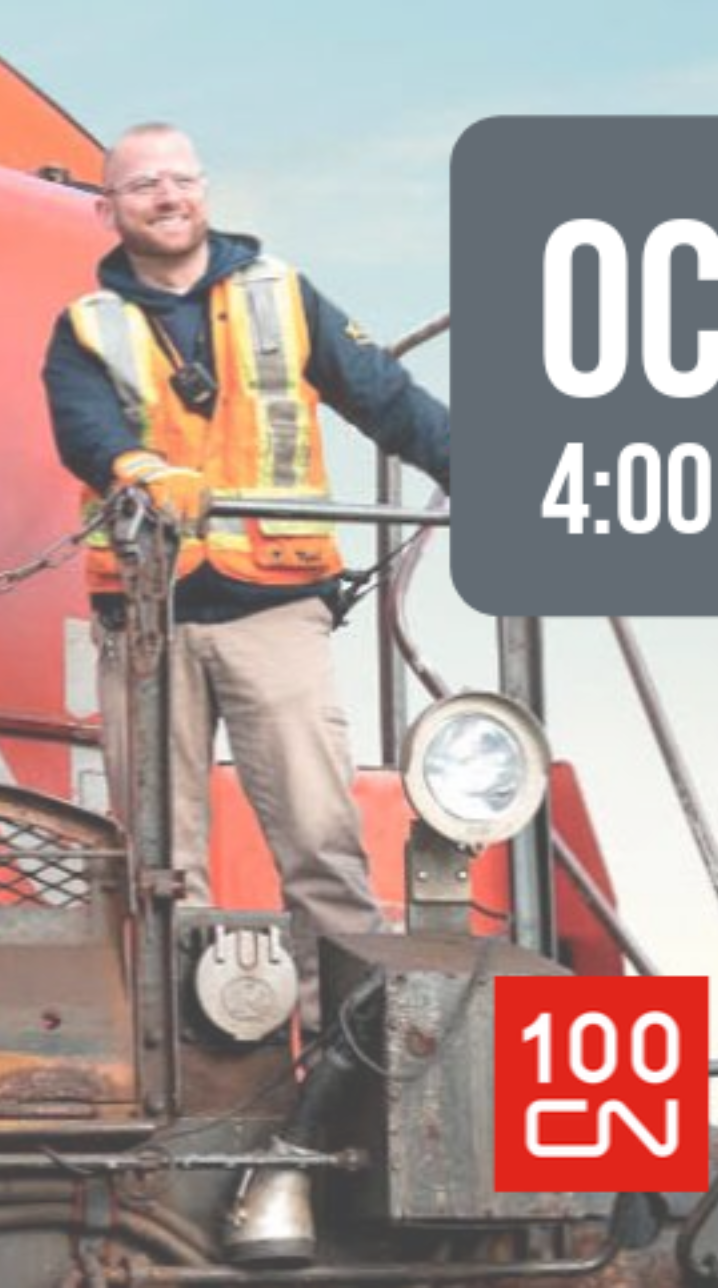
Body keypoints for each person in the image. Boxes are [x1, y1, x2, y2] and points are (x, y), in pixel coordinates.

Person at [43, 122, 450, 1026]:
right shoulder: (85, 330)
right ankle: (189, 1060)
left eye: (181, 180)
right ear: (110, 209)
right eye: (145, 185)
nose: (168, 196)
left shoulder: (283, 298)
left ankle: (348, 1049)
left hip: (275, 606)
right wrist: (139, 470)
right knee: (161, 861)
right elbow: (85, 431)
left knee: (320, 838)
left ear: (206, 192)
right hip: (148, 619)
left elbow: (383, 395)